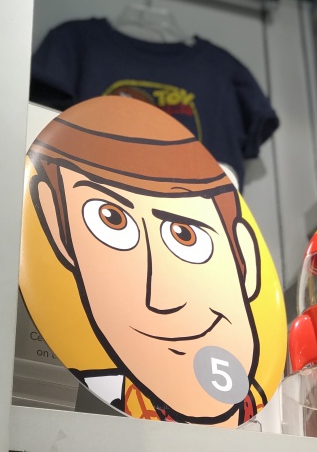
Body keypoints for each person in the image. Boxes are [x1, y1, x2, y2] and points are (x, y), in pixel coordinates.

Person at [26, 95, 267, 426]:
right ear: (57, 228)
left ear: (246, 260)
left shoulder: (272, 409)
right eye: (112, 220)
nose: (162, 299)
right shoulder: (89, 408)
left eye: (185, 234)